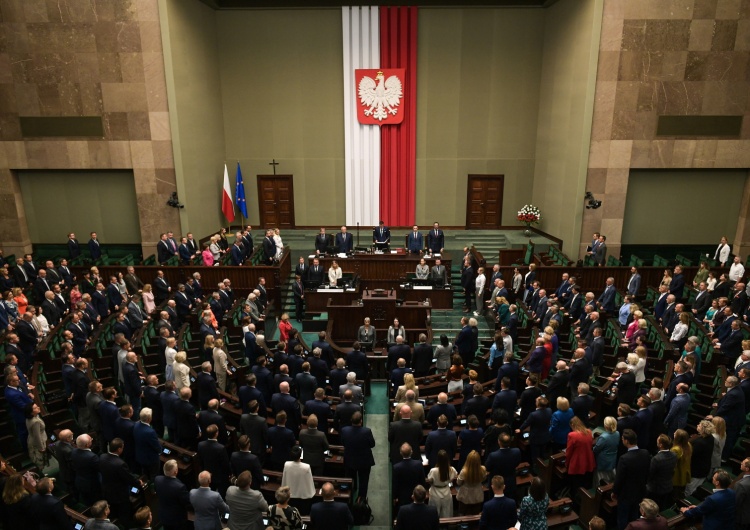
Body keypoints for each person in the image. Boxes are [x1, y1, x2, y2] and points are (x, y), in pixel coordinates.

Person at [613, 429, 651, 530]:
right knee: (635, 515)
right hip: (640, 491)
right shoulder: (645, 453)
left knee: (622, 518)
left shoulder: (624, 458)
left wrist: (614, 492)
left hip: (626, 494)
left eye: (622, 439)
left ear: (626, 441)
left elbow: (619, 479)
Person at [340, 411, 375, 501]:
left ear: (351, 421)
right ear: (361, 421)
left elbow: (343, 443)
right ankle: (361, 499)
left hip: (350, 459)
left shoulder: (345, 430)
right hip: (364, 460)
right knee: (364, 481)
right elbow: (372, 444)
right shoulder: (366, 431)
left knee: (349, 478)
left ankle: (349, 496)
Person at [647, 434, 678, 512]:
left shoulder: (656, 459)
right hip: (668, 486)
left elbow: (650, 474)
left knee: (654, 508)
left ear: (660, 445)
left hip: (656, 489)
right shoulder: (674, 455)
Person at [281, 446, 315, 515]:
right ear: (300, 455)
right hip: (303, 497)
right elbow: (309, 482)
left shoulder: (286, 464)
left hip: (290, 497)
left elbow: (284, 479)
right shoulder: (306, 467)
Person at [567, 416, 595, 491]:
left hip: (577, 461)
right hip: (588, 459)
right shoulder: (589, 431)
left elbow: (569, 451)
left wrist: (567, 463)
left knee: (576, 483)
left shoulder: (572, 435)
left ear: (572, 425)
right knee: (584, 479)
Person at [456, 450, 486, 515]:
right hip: (477, 495)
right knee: (476, 514)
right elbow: (483, 479)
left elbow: (458, 483)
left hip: (465, 496)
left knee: (463, 515)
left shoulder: (464, 471)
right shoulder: (483, 469)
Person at [25, 402, 48, 471]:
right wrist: (41, 448)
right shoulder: (35, 422)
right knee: (39, 461)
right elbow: (37, 436)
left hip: (31, 440)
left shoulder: (31, 418)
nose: (38, 407)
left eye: (37, 406)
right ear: (31, 412)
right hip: (37, 443)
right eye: (35, 408)